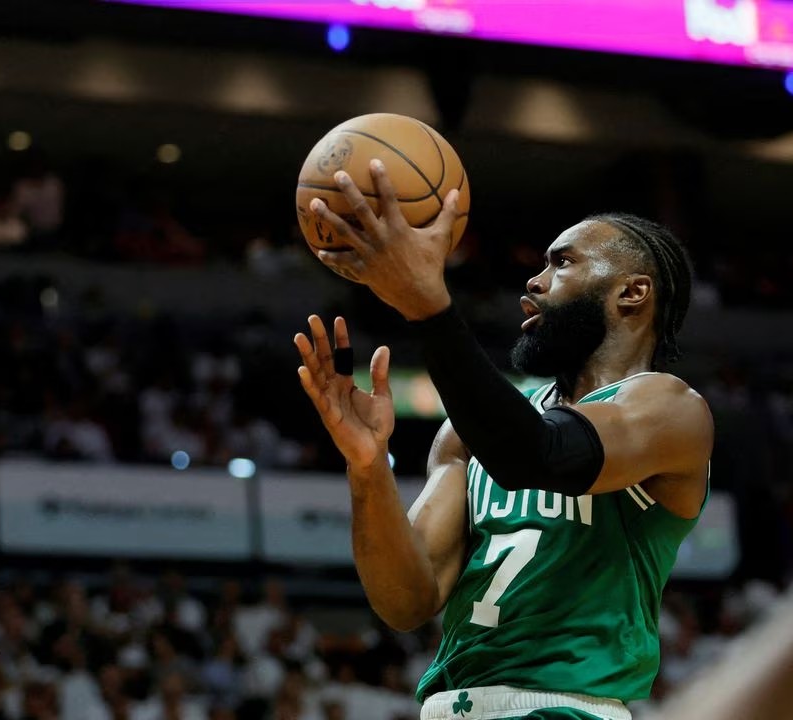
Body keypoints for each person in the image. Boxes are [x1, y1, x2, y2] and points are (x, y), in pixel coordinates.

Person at [295, 159, 713, 720]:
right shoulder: (467, 436)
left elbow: (540, 455)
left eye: (561, 263)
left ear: (632, 293)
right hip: (449, 707)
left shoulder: (671, 410)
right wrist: (367, 467)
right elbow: (406, 600)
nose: (534, 283)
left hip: (564, 708)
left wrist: (427, 306)